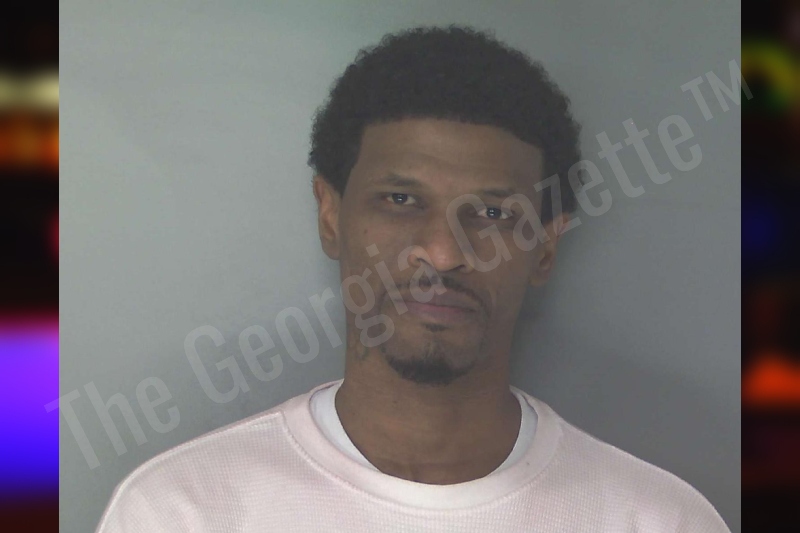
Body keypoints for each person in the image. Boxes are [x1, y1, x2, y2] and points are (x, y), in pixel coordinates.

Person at [96, 25, 730, 532]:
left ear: (545, 247)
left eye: (493, 213)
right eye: (400, 200)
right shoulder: (182, 511)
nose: (444, 252)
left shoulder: (656, 520)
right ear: (330, 215)